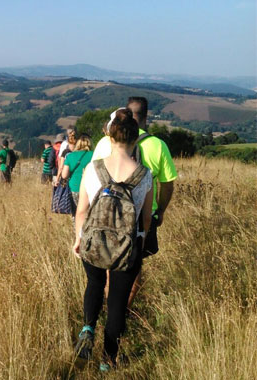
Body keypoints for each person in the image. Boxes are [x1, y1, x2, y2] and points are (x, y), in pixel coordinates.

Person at [72, 108, 153, 371]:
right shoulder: (144, 175)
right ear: (135, 139)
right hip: (128, 248)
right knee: (117, 301)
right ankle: (108, 361)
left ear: (110, 135)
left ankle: (87, 329)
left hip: (93, 242)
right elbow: (146, 219)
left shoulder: (93, 169)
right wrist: (140, 241)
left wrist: (79, 238)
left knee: (94, 284)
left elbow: (82, 211)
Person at [92, 97, 177, 305]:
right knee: (135, 265)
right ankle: (124, 311)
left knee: (109, 262)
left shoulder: (106, 142)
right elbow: (167, 184)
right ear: (146, 117)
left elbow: (93, 176)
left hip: (108, 212)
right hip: (142, 216)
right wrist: (161, 210)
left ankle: (109, 307)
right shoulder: (158, 145)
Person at [59, 134, 93, 214]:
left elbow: (64, 175)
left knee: (76, 214)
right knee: (89, 214)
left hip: (74, 188)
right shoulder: (94, 155)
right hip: (90, 189)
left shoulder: (70, 156)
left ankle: (77, 226)